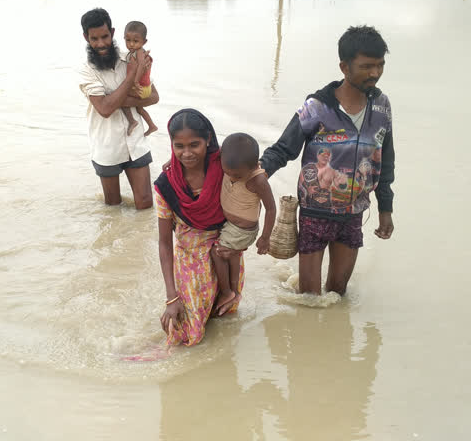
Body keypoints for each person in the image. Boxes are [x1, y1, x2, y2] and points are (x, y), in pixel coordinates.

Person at [260, 25, 395, 296]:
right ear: (344, 67)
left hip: (354, 213)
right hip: (315, 213)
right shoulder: (317, 107)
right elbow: (284, 149)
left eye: (380, 65)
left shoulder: (382, 107)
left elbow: (386, 159)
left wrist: (385, 208)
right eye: (367, 66)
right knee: (310, 298)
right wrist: (255, 174)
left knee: (337, 294)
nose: (375, 74)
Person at [155, 109, 245, 346]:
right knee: (189, 336)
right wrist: (171, 297)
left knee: (222, 316)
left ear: (208, 140)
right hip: (191, 259)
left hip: (226, 252)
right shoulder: (166, 184)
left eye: (194, 144)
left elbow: (254, 170)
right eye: (179, 146)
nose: (187, 153)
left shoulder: (226, 169)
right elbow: (165, 242)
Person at [79, 8, 158, 209]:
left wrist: (116, 100)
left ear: (113, 33)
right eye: (94, 39)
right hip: (107, 147)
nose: (101, 44)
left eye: (105, 36)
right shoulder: (86, 70)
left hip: (136, 143)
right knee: (113, 207)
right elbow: (105, 110)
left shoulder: (132, 57)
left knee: (146, 204)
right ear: (86, 38)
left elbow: (154, 97)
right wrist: (133, 75)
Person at [211, 133, 276, 315]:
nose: (231, 177)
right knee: (231, 256)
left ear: (254, 166)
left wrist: (265, 237)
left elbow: (271, 209)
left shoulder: (258, 180)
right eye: (227, 173)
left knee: (217, 253)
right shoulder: (231, 165)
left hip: (243, 229)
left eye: (237, 175)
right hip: (230, 225)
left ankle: (226, 292)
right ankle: (234, 292)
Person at [121, 21, 158, 137]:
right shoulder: (134, 52)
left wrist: (136, 81)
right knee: (139, 109)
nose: (131, 44)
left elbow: (141, 66)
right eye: (128, 40)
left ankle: (132, 121)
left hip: (140, 87)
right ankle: (152, 126)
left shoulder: (140, 52)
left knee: (121, 99)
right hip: (144, 88)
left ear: (144, 42)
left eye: (135, 41)